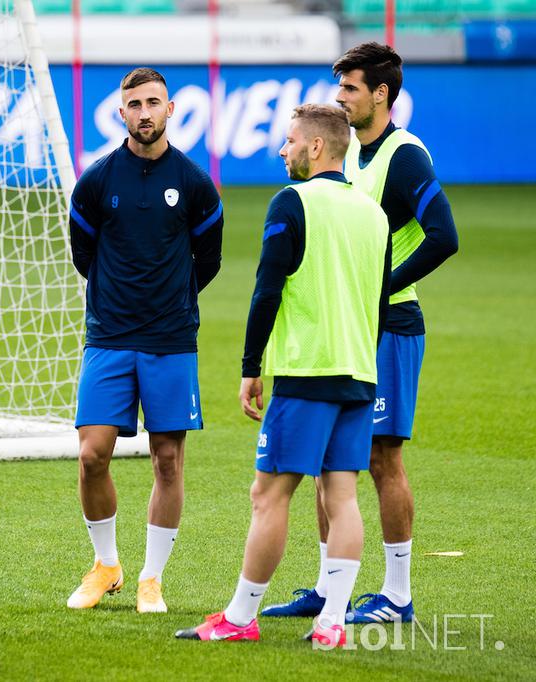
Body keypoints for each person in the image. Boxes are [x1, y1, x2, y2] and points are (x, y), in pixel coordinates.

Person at [175, 104, 390, 647]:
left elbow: (267, 288)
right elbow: (381, 299)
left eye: (290, 140)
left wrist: (251, 367)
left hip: (306, 372)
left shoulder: (290, 202)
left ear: (316, 147)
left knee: (268, 495)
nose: (282, 149)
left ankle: (241, 617)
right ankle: (333, 624)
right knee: (342, 496)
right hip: (360, 373)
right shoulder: (374, 213)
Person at [262, 43, 458, 625]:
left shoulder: (404, 156)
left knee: (382, 458)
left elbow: (444, 235)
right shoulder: (348, 157)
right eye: (339, 87)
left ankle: (397, 595)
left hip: (392, 325)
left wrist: (383, 288)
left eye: (350, 88)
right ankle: (330, 589)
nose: (340, 97)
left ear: (381, 94)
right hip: (351, 328)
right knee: (331, 459)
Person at [66, 67, 223, 614]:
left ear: (172, 109)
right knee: (91, 455)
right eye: (134, 104)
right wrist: (120, 298)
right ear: (121, 113)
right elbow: (83, 254)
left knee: (168, 461)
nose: (145, 112)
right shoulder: (97, 181)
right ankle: (107, 564)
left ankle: (151, 579)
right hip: (109, 336)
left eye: (154, 102)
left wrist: (170, 301)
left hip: (171, 340)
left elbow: (210, 260)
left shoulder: (196, 184)